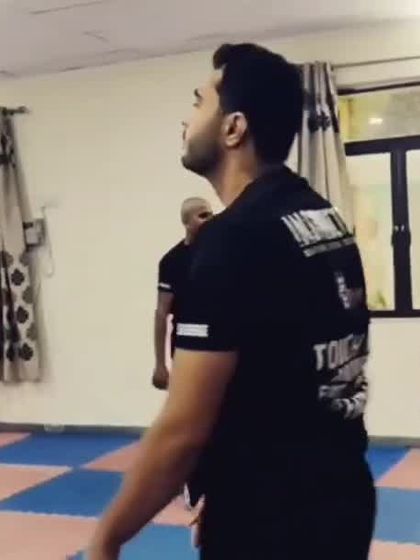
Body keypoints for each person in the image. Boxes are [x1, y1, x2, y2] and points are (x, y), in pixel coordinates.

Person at [88, 43, 375, 560]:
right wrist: (228, 483)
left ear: (233, 128)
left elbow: (182, 431)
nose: (186, 119)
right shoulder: (319, 215)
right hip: (340, 497)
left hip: (276, 525)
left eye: (199, 102)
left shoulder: (231, 240)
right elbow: (287, 370)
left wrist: (108, 536)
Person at [152, 197, 213, 390]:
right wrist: (160, 364)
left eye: (212, 215)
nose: (210, 220)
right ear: (186, 223)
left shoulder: (220, 254)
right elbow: (161, 313)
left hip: (221, 343)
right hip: (187, 346)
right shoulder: (172, 261)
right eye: (203, 215)